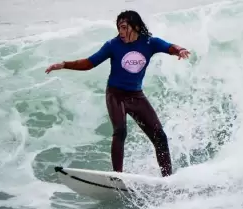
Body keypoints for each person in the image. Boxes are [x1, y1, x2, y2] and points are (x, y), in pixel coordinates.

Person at [45, 10, 190, 177]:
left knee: (160, 136)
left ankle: (167, 179)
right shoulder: (113, 45)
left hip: (136, 96)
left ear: (135, 26)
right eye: (118, 28)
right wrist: (63, 64)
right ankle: (117, 176)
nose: (120, 32)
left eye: (123, 27)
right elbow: (89, 63)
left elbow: (170, 47)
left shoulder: (150, 43)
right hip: (116, 95)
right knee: (120, 130)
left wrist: (180, 50)